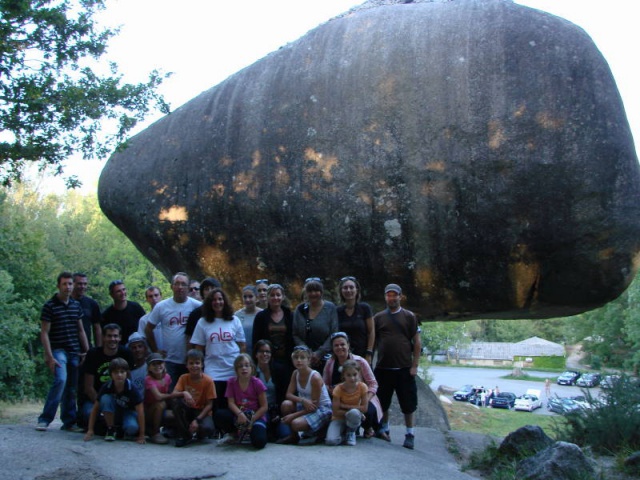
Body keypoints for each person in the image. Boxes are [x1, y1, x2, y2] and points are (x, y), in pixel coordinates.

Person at [36, 272, 90, 432]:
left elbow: (81, 330)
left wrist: (87, 350)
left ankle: (69, 422)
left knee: (71, 387)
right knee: (60, 380)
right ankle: (45, 419)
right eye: (64, 284)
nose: (68, 287)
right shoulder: (49, 306)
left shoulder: (75, 305)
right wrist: (48, 356)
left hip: (74, 350)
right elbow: (44, 332)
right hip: (58, 351)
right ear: (58, 286)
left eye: (70, 284)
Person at [373, 283, 421, 450]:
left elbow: (417, 342)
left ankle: (410, 434)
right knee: (383, 402)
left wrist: (414, 365)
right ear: (385, 297)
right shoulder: (378, 317)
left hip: (404, 368)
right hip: (383, 367)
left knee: (408, 404)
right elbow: (373, 340)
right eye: (389, 295)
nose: (392, 298)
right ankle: (385, 429)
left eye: (395, 295)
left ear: (401, 297)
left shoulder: (409, 316)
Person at [190, 287, 245, 409]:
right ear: (209, 303)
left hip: (232, 369)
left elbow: (242, 345)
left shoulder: (234, 320)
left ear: (224, 301)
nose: (217, 302)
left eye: (220, 299)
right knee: (215, 405)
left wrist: (240, 366)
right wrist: (200, 368)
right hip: (213, 370)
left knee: (233, 405)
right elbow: (198, 349)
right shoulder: (202, 322)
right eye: (214, 300)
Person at [145, 272, 202, 391]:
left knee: (192, 393)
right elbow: (148, 328)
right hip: (169, 360)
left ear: (188, 287)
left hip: (191, 360)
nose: (180, 287)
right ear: (171, 286)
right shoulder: (161, 306)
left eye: (183, 284)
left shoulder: (197, 306)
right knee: (171, 394)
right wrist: (155, 350)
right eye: (177, 284)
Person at [323, 332, 382, 438]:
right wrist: (332, 390)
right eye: (336, 345)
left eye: (342, 344)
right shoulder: (330, 363)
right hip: (339, 397)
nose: (339, 347)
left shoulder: (360, 361)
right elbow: (325, 383)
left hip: (360, 397)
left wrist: (366, 399)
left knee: (368, 411)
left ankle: (367, 427)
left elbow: (373, 384)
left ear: (348, 345)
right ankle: (346, 427)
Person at [80, 324, 134, 429]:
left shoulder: (126, 353)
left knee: (131, 427)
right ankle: (110, 426)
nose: (112, 339)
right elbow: (88, 388)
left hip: (119, 399)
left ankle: (110, 424)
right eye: (109, 336)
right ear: (103, 337)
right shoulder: (93, 354)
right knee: (88, 413)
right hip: (96, 398)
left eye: (115, 336)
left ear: (120, 337)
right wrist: (102, 406)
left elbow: (128, 381)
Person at [277, 346, 332, 445]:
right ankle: (294, 436)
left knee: (295, 423)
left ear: (309, 360)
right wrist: (303, 400)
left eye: (302, 357)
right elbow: (288, 394)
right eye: (296, 357)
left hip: (321, 408)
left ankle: (322, 430)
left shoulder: (315, 377)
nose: (299, 360)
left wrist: (292, 416)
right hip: (306, 404)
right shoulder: (295, 373)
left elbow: (314, 406)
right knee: (286, 404)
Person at [83, 357, 145, 444]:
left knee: (132, 428)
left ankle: (120, 431)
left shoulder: (132, 389)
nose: (119, 375)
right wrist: (90, 430)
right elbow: (95, 408)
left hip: (128, 413)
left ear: (127, 373)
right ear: (111, 374)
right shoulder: (107, 386)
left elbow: (140, 412)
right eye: (116, 372)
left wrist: (142, 435)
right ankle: (111, 429)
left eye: (122, 372)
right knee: (105, 398)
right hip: (113, 412)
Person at [215, 354, 268, 449]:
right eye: (240, 366)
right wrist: (239, 414)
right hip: (238, 415)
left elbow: (264, 406)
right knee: (220, 414)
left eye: (247, 365)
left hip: (255, 416)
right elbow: (231, 403)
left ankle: (250, 432)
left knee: (259, 442)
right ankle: (233, 433)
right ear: (236, 369)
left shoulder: (257, 383)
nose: (244, 368)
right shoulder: (231, 382)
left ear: (252, 368)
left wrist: (252, 420)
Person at [252, 284, 295, 393]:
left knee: (285, 390)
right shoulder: (261, 317)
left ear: (283, 297)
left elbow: (294, 337)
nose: (275, 298)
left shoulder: (289, 315)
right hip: (267, 360)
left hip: (287, 360)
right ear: (267, 297)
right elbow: (256, 341)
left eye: (278, 295)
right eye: (272, 295)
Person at [172, 349, 216, 447]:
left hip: (201, 412)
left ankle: (197, 432)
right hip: (188, 409)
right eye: (191, 363)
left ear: (202, 364)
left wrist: (197, 420)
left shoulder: (208, 381)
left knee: (208, 428)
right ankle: (184, 435)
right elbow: (174, 394)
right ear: (186, 365)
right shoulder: (183, 378)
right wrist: (184, 393)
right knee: (176, 402)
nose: (194, 366)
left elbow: (209, 405)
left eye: (197, 363)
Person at [292, 278, 339, 371]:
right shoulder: (300, 309)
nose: (313, 293)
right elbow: (295, 334)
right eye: (310, 291)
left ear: (321, 292)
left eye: (316, 290)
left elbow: (333, 333)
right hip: (304, 359)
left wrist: (319, 353)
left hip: (327, 358)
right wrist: (307, 353)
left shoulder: (330, 308)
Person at [253, 339, 290, 441]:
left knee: (285, 434)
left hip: (276, 410)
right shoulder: (252, 372)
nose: (264, 354)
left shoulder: (280, 370)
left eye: (267, 351)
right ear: (256, 354)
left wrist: (279, 413)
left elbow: (284, 394)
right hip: (260, 410)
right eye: (261, 351)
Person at [325, 359, 368, 446]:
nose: (352, 378)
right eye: (348, 375)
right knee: (331, 441)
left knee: (354, 413)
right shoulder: (338, 389)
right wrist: (350, 413)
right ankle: (344, 436)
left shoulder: (362, 387)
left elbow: (364, 408)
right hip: (339, 418)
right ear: (343, 375)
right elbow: (335, 411)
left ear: (359, 373)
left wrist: (345, 406)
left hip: (353, 416)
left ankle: (351, 432)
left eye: (355, 374)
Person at [144, 352, 182, 444]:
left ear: (164, 364)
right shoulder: (148, 379)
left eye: (160, 363)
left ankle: (178, 431)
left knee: (176, 410)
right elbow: (158, 396)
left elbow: (169, 393)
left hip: (163, 409)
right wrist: (179, 394)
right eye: (154, 364)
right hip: (148, 411)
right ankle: (155, 432)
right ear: (149, 368)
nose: (157, 366)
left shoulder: (167, 377)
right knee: (161, 404)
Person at [336, 276, 374, 363]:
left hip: (363, 355)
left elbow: (371, 332)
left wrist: (369, 353)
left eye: (351, 287)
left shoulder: (365, 308)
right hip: (344, 356)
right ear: (341, 291)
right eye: (345, 288)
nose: (348, 290)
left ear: (357, 290)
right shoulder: (337, 311)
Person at [102, 280, 145, 344]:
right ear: (112, 295)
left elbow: (145, 326)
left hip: (137, 346)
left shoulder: (136, 308)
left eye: (124, 289)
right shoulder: (107, 315)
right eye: (118, 291)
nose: (122, 293)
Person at [184, 277, 221, 346]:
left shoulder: (226, 311)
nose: (210, 291)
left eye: (212, 288)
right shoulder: (195, 314)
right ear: (202, 293)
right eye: (207, 289)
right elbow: (189, 339)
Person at [72, 272, 102, 348]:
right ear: (73, 284)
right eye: (79, 284)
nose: (83, 286)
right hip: (67, 348)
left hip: (86, 347)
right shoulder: (65, 303)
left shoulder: (92, 304)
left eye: (85, 284)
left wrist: (98, 349)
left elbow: (97, 328)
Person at [234, 285, 263, 353]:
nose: (247, 300)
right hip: (242, 352)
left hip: (259, 352)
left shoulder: (262, 314)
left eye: (250, 296)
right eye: (245, 297)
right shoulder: (236, 316)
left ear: (256, 298)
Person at [137, 286, 163, 351]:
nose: (154, 298)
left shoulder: (170, 315)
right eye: (150, 296)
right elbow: (143, 341)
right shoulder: (143, 320)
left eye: (156, 295)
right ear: (147, 299)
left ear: (161, 296)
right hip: (154, 354)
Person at [127, 332, 149, 398]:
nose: (137, 350)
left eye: (140, 346)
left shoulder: (151, 365)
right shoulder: (127, 370)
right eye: (134, 347)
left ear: (145, 348)